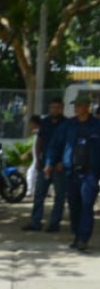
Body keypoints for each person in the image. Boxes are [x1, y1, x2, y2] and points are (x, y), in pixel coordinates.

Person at [46, 92, 100, 252]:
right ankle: (77, 235)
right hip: (72, 172)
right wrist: (50, 162)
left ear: (87, 107)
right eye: (75, 106)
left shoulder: (97, 125)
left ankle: (83, 238)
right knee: (74, 206)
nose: (76, 108)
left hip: (90, 173)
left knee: (87, 205)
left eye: (80, 105)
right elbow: (55, 145)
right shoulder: (68, 125)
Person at [24, 98, 67, 232]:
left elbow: (69, 145)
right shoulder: (45, 122)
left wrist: (64, 162)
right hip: (44, 164)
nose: (55, 110)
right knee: (39, 195)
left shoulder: (67, 124)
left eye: (58, 107)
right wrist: (37, 160)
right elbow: (39, 141)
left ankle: (54, 224)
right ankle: (35, 222)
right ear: (49, 109)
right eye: (53, 107)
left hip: (59, 166)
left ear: (62, 108)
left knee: (59, 197)